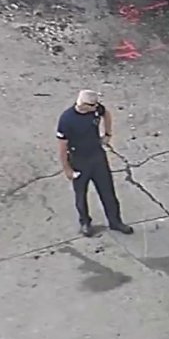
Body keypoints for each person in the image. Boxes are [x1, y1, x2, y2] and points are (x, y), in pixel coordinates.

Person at [56, 90, 133, 237]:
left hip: (97, 157)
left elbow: (106, 114)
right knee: (81, 195)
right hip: (79, 159)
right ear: (83, 105)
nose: (96, 107)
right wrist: (67, 169)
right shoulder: (67, 119)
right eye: (93, 105)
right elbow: (62, 146)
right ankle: (85, 222)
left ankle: (115, 221)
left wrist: (108, 134)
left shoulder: (96, 109)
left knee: (108, 192)